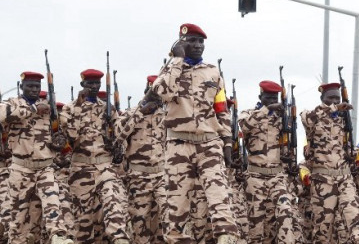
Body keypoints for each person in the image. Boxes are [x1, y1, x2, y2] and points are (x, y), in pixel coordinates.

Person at [150, 23, 238, 244]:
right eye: (192, 41)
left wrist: (227, 142)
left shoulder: (213, 72)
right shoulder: (169, 71)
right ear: (181, 44)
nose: (198, 45)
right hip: (179, 144)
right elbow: (163, 93)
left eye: (201, 42)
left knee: (219, 196)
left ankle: (227, 238)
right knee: (177, 204)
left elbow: (221, 109)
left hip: (210, 143)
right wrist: (177, 61)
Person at [0, 71, 73, 244]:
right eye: (30, 86)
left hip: (45, 167)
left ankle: (58, 235)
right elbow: (3, 114)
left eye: (37, 86)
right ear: (21, 87)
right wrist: (33, 110)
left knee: (53, 198)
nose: (34, 89)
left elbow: (64, 128)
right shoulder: (13, 104)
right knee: (18, 220)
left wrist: (59, 141)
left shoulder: (48, 109)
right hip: (20, 169)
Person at [59, 69, 130, 243]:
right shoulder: (69, 108)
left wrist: (118, 146)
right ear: (82, 84)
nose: (94, 87)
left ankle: (120, 238)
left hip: (105, 166)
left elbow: (120, 132)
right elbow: (71, 137)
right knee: (83, 221)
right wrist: (79, 105)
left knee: (115, 200)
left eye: (97, 83)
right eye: (90, 83)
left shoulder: (108, 108)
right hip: (80, 169)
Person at [301, 82, 359, 244]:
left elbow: (346, 151)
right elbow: (308, 118)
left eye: (337, 99)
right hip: (323, 182)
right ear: (322, 98)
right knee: (323, 232)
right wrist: (335, 108)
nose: (334, 102)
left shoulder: (343, 122)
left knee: (356, 221)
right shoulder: (312, 117)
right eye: (330, 98)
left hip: (344, 179)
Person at [240, 80, 298, 243]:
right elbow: (244, 127)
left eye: (275, 99)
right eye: (269, 98)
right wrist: (266, 110)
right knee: (256, 226)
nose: (273, 102)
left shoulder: (282, 118)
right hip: (255, 176)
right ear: (261, 96)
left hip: (277, 177)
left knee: (285, 212)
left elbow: (289, 144)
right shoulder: (249, 113)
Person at [114, 75, 166, 243]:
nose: (158, 97)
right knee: (140, 227)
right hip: (138, 179)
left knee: (167, 223)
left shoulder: (168, 116)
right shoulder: (131, 114)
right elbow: (119, 134)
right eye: (154, 93)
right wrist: (141, 113)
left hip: (162, 177)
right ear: (146, 92)